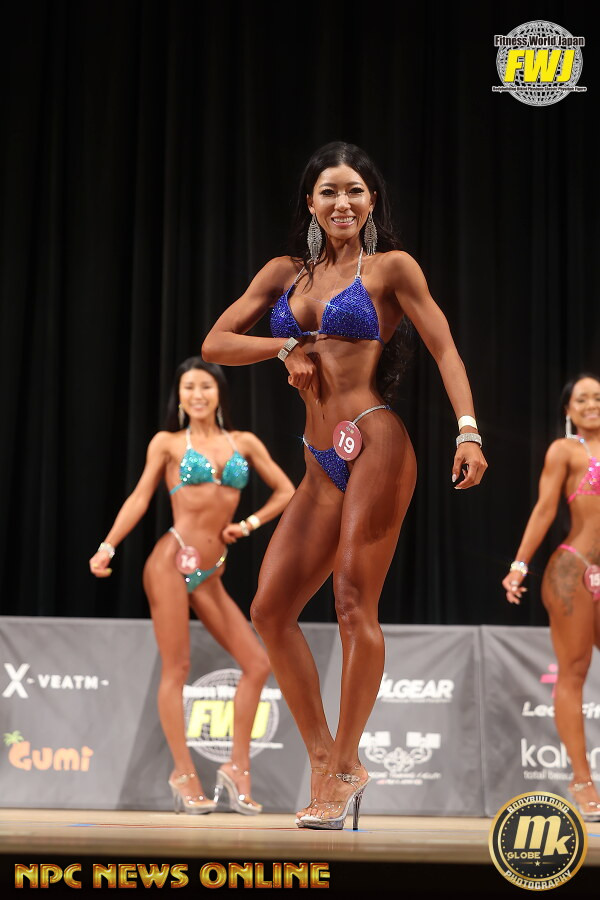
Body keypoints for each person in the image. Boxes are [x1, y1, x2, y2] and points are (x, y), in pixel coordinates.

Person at [202, 141, 486, 830]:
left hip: (374, 441)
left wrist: (469, 430)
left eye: (355, 191)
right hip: (317, 458)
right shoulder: (284, 274)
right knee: (270, 609)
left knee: (354, 602)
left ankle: (344, 764)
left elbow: (444, 346)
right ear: (310, 202)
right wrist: (284, 346)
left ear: (371, 202)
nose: (342, 203)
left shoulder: (390, 268)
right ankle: (328, 758)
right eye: (329, 191)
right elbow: (215, 344)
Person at [89, 357, 295, 815]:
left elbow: (287, 490)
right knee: (177, 668)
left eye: (205, 386)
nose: (197, 394)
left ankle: (237, 768)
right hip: (170, 562)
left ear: (219, 393)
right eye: (188, 388)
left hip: (211, 570)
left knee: (258, 663)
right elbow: (139, 497)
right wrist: (108, 546)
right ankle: (183, 774)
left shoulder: (243, 442)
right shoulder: (167, 443)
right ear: (179, 398)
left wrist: (249, 524)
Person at [502, 373, 600, 821]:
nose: (592, 404)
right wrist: (520, 564)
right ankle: (582, 782)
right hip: (573, 572)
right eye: (582, 399)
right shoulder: (564, 450)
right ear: (568, 410)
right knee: (573, 673)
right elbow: (544, 509)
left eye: (598, 397)